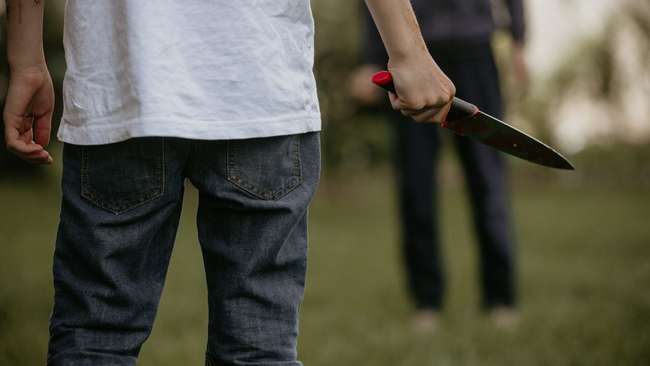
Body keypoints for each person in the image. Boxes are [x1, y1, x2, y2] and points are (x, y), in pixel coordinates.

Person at [4, 0, 455, 364]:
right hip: (258, 88)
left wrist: (25, 60)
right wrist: (408, 51)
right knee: (258, 346)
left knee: (94, 338)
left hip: (121, 90)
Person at [351, 0, 528, 331]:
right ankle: (426, 301)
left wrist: (518, 41)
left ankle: (501, 298)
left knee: (488, 180)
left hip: (475, 51)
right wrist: (369, 58)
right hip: (411, 58)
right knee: (416, 185)